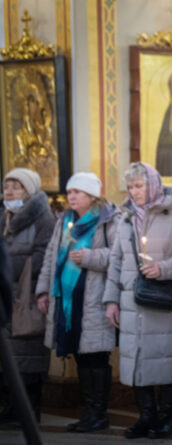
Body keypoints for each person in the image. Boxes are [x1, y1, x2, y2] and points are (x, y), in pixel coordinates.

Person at [103, 162, 172, 439]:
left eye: (140, 185)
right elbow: (116, 262)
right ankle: (146, 417)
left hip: (167, 301)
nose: (134, 191)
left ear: (153, 185)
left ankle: (165, 419)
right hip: (132, 301)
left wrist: (163, 268)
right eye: (131, 186)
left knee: (168, 360)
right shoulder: (124, 218)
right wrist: (111, 301)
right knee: (136, 360)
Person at [34, 172, 118, 432]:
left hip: (94, 297)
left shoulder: (107, 220)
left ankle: (99, 413)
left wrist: (90, 257)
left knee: (96, 358)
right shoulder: (65, 220)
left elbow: (119, 255)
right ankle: (88, 412)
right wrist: (43, 291)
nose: (70, 196)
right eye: (69, 192)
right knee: (81, 357)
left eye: (77, 192)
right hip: (68, 299)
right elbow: (51, 256)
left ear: (92, 196)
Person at [0, 168, 55, 424]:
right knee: (8, 357)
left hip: (28, 296)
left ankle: (30, 410)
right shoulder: (4, 216)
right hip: (5, 296)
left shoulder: (43, 218)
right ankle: (12, 407)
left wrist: (9, 265)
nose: (9, 190)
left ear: (29, 190)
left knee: (29, 357)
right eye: (7, 185)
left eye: (16, 186)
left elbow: (44, 255)